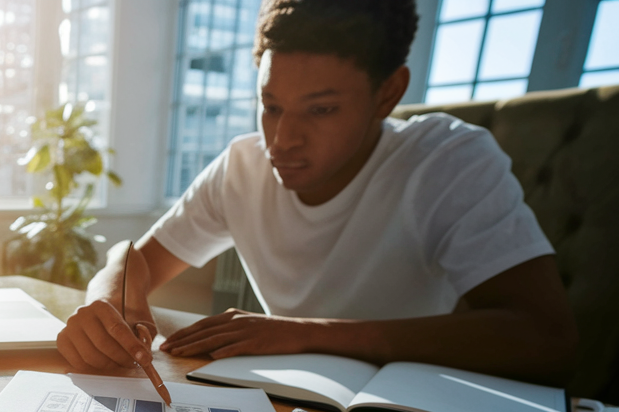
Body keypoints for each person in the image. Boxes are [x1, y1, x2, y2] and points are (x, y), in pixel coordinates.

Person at [58, 0, 577, 386]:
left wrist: (299, 332)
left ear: (389, 93)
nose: (282, 141)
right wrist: (108, 298)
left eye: (321, 110)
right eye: (271, 106)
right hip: (288, 397)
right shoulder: (243, 163)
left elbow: (546, 339)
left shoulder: (446, 159)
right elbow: (134, 259)